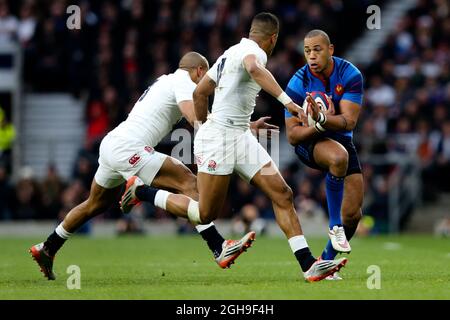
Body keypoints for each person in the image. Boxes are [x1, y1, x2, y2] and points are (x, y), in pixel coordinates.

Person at [122, 13, 346, 282]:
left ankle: (308, 264)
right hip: (220, 139)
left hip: (239, 135)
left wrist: (226, 125)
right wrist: (289, 103)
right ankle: (142, 191)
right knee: (206, 212)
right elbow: (253, 69)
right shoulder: (255, 53)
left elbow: (200, 93)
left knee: (282, 193)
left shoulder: (229, 53)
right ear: (272, 38)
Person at [30, 52, 273, 280]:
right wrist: (240, 131)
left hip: (113, 143)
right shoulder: (185, 84)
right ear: (200, 71)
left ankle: (48, 247)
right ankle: (218, 246)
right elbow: (197, 119)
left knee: (95, 204)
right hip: (129, 147)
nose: (207, 87)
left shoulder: (164, 80)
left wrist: (247, 126)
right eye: (207, 78)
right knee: (188, 182)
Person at [285, 29, 364, 280]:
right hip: (309, 141)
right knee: (338, 157)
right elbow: (292, 136)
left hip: (339, 137)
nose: (311, 56)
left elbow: (349, 122)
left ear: (331, 50)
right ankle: (334, 225)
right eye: (307, 51)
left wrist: (324, 119)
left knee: (354, 213)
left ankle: (325, 263)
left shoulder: (350, 74)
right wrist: (317, 125)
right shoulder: (297, 82)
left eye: (317, 50)